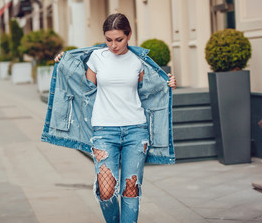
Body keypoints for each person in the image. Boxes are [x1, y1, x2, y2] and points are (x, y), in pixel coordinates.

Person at [42, 13, 177, 223]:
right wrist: (65, 62)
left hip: (136, 130)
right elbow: (84, 90)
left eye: (119, 39)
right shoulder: (97, 58)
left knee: (131, 190)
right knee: (106, 191)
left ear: (129, 35)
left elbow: (147, 92)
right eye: (109, 39)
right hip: (104, 131)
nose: (113, 45)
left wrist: (167, 84)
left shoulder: (139, 61)